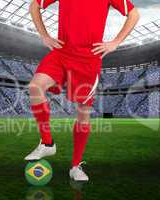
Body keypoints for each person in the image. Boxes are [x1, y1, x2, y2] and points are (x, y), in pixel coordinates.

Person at [25, 0, 140, 181]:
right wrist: (44, 36)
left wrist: (116, 42)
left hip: (88, 60)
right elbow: (34, 5)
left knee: (83, 114)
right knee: (35, 87)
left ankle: (75, 166)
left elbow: (134, 14)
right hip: (61, 52)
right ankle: (47, 142)